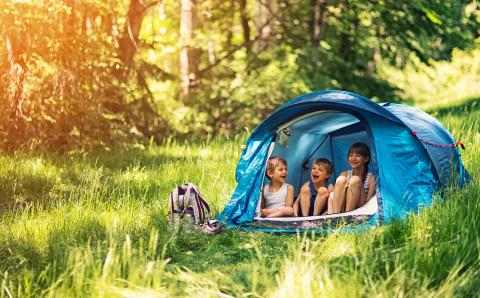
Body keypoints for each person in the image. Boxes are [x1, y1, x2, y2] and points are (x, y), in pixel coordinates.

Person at [331, 142, 376, 213]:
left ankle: (348, 216)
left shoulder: (370, 178)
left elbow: (368, 201)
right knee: (341, 179)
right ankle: (335, 215)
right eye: (351, 155)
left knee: (355, 179)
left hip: (361, 206)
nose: (353, 158)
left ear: (366, 159)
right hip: (343, 206)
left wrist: (358, 184)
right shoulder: (345, 174)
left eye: (358, 156)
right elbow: (335, 195)